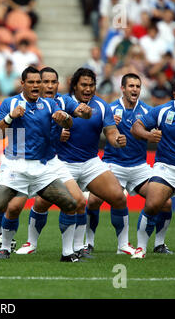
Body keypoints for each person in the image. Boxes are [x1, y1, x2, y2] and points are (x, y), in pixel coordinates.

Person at [0, 66, 78, 262]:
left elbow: (68, 125)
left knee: (70, 203)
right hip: (15, 166)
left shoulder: (50, 104)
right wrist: (11, 117)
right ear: (23, 83)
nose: (36, 85)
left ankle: (67, 253)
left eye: (39, 82)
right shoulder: (10, 103)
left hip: (43, 168)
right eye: (32, 82)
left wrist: (66, 119)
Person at [85, 73, 174, 254]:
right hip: (113, 165)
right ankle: (89, 242)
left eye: (137, 86)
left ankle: (159, 244)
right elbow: (94, 131)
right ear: (123, 88)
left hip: (139, 166)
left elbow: (161, 131)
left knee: (165, 203)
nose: (135, 89)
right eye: (131, 86)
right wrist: (107, 125)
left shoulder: (148, 111)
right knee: (94, 200)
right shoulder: (109, 109)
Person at [12, 66, 93, 258]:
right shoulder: (25, 104)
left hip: (57, 162)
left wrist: (84, 112)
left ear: (58, 84)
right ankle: (28, 243)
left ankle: (77, 247)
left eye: (52, 82)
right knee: (31, 205)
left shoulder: (63, 101)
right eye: (44, 81)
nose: (49, 86)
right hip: (33, 162)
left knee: (79, 201)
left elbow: (83, 115)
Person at [54, 67, 135, 256]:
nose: (88, 89)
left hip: (91, 162)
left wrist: (117, 139)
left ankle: (122, 245)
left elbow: (111, 131)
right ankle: (31, 243)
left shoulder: (102, 106)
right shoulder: (63, 102)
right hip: (63, 163)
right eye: (84, 85)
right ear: (75, 86)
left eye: (91, 85)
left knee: (118, 197)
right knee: (44, 203)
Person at [131, 76, 175, 259]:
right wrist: (147, 135)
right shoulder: (162, 111)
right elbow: (136, 127)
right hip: (167, 167)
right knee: (152, 205)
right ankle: (141, 248)